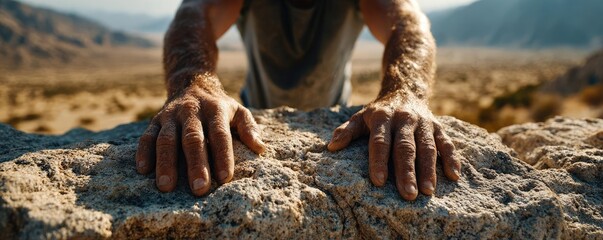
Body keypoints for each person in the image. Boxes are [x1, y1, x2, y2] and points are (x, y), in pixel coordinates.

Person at [135, 0, 461, 201]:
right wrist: (192, 84)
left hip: (333, 118)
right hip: (255, 113)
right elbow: (194, 13)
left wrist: (405, 93)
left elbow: (408, 21)